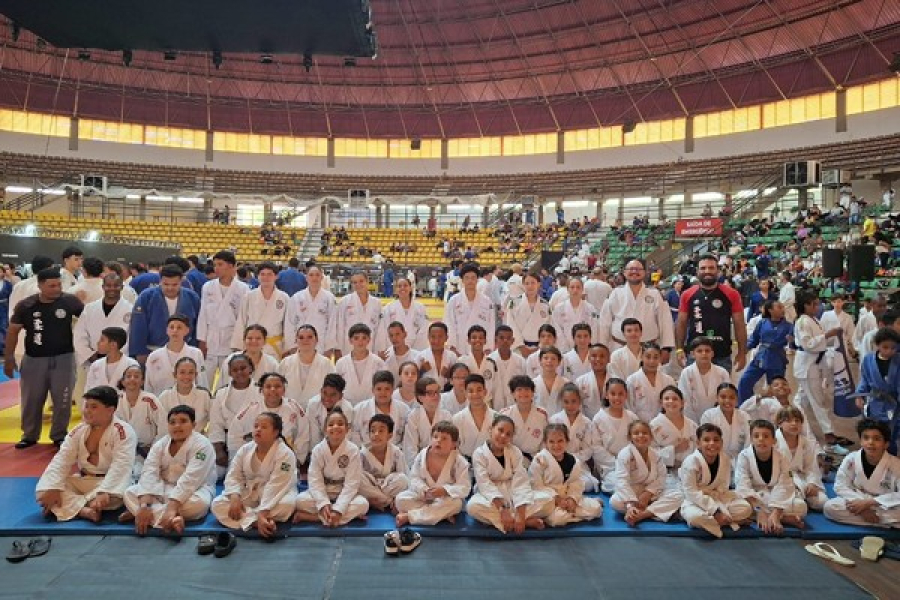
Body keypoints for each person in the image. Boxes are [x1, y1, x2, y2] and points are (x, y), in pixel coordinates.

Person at [5, 268, 84, 449]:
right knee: (31, 399)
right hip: (34, 359)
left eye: (59, 285)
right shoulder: (26, 305)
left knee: (63, 400)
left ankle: (59, 435)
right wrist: (9, 358)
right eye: (51, 286)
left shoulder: (70, 301)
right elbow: (13, 331)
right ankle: (29, 435)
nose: (57, 289)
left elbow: (88, 320)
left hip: (64, 358)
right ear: (40, 285)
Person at [35, 386, 137, 522]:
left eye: (94, 407)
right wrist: (53, 487)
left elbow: (121, 466)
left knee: (116, 497)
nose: (87, 411)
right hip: (83, 480)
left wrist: (105, 491)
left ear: (110, 410)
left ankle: (70, 507)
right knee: (44, 492)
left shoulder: (123, 431)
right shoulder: (79, 430)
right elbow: (62, 459)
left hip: (107, 482)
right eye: (86, 406)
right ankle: (84, 511)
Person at [121, 405, 217, 535]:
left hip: (195, 490)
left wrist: (172, 508)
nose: (177, 426)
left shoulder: (203, 445)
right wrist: (144, 506)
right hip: (164, 488)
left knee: (199, 505)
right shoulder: (160, 444)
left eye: (183, 421)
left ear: (193, 425)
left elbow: (191, 479)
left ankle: (144, 515)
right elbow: (149, 472)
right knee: (129, 493)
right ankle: (171, 520)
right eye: (172, 422)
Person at [211, 412, 298, 537]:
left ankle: (250, 519)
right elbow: (233, 475)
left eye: (264, 427)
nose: (258, 429)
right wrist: (235, 497)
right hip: (251, 492)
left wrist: (263, 511)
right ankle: (256, 522)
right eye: (256, 426)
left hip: (279, 492)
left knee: (287, 506)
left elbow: (277, 485)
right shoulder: (245, 449)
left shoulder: (285, 453)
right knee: (217, 504)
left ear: (275, 432)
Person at [466, 414, 551, 533]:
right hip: (490, 496)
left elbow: (521, 481)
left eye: (508, 434)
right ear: (491, 429)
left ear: (511, 437)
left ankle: (514, 520)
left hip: (513, 491)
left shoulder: (514, 451)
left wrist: (520, 513)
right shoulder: (479, 454)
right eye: (500, 430)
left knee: (549, 501)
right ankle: (524, 522)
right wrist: (502, 509)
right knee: (472, 507)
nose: (503, 436)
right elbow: (484, 484)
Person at [294, 408, 370, 527]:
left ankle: (316, 518)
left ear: (347, 429)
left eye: (340, 424)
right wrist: (323, 503)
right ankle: (339, 517)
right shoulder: (318, 450)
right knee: (300, 501)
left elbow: (352, 483)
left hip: (342, 489)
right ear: (325, 430)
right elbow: (315, 480)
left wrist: (339, 509)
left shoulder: (353, 450)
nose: (335, 427)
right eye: (331, 424)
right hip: (325, 488)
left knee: (363, 505)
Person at [793, 289, 846, 454]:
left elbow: (820, 342)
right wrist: (827, 335)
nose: (817, 307)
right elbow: (808, 344)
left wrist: (831, 337)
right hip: (808, 366)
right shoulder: (802, 321)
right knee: (818, 401)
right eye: (814, 304)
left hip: (813, 364)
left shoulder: (813, 320)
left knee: (800, 401)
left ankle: (788, 423)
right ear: (806, 305)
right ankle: (829, 439)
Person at [675, 254, 747, 373]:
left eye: (711, 268)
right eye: (703, 268)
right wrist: (679, 349)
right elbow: (681, 323)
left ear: (718, 271)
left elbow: (739, 324)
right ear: (697, 271)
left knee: (722, 386)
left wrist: (742, 352)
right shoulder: (687, 294)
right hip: (694, 355)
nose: (707, 271)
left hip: (722, 355)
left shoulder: (732, 294)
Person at [678, 423, 753, 538]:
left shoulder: (725, 459)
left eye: (716, 440)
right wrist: (715, 511)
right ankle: (730, 521)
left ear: (721, 442)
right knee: (695, 517)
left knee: (746, 508)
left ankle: (716, 522)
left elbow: (724, 486)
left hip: (717, 497)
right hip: (695, 501)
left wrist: (718, 504)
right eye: (706, 440)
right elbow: (691, 492)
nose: (712, 443)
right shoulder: (691, 461)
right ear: (698, 443)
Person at [823, 419, 900, 528]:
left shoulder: (896, 464)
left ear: (886, 444)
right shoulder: (851, 459)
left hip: (884, 504)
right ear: (861, 441)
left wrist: (869, 503)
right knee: (830, 507)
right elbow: (840, 486)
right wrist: (862, 508)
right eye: (866, 438)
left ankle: (877, 520)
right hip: (857, 500)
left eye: (877, 439)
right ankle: (885, 523)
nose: (870, 442)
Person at [734, 420, 807, 534]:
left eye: (766, 436)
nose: (761, 439)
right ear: (751, 439)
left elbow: (785, 484)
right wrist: (758, 510)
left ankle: (773, 517)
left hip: (775, 495)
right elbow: (742, 485)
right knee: (741, 508)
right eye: (756, 436)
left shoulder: (782, 457)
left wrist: (777, 512)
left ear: (774, 440)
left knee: (801, 507)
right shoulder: (744, 456)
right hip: (754, 498)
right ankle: (784, 518)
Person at [395, 421, 471, 527]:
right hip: (424, 497)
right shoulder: (422, 455)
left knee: (456, 504)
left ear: (454, 444)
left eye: (444, 438)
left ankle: (410, 517)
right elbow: (414, 478)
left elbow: (464, 487)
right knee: (400, 500)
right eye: (435, 437)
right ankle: (440, 514)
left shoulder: (459, 461)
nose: (438, 441)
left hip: (445, 499)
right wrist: (424, 490)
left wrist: (444, 490)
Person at [226, 372, 309, 466]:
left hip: (285, 457)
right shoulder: (251, 408)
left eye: (277, 386)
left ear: (284, 390)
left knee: (285, 474)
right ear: (261, 390)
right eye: (268, 386)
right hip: (255, 457)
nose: (273, 389)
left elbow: (303, 433)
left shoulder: (293, 407)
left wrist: (297, 458)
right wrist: (239, 460)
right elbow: (235, 433)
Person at [598, 259, 675, 360]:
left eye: (638, 269)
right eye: (631, 269)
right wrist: (602, 347)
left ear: (645, 272)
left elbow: (665, 321)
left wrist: (666, 347)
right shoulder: (615, 293)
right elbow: (604, 323)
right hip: (618, 347)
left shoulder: (655, 294)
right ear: (624, 272)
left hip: (649, 349)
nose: (634, 271)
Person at [610, 420, 683, 526]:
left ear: (651, 437)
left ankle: (641, 515)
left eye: (645, 433)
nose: (641, 436)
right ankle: (650, 511)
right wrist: (630, 505)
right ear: (630, 437)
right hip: (632, 492)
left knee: (678, 495)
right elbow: (622, 480)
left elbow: (662, 477)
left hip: (651, 493)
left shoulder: (655, 455)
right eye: (636, 433)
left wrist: (648, 494)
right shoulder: (625, 454)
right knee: (615, 502)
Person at [530, 423, 603, 527]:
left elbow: (576, 483)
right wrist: (556, 498)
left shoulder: (573, 461)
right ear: (545, 443)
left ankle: (564, 513)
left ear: (567, 441)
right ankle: (569, 514)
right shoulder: (539, 460)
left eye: (560, 441)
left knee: (596, 509)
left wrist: (572, 499)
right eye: (551, 442)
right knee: (558, 519)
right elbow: (536, 485)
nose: (556, 445)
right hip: (548, 499)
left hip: (567, 498)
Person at [197, 250, 250, 385]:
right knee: (204, 381)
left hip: (231, 341)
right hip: (211, 340)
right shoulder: (208, 287)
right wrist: (202, 340)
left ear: (231, 266)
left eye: (220, 264)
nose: (216, 268)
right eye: (215, 265)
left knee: (227, 382)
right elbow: (203, 315)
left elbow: (243, 319)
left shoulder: (243, 289)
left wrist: (239, 344)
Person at [129, 265, 201, 364]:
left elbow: (197, 326)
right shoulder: (146, 297)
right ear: (160, 281)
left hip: (185, 351)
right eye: (166, 284)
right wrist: (140, 352)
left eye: (174, 285)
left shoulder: (192, 297)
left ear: (181, 281)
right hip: (152, 350)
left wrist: (194, 347)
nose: (170, 288)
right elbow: (138, 327)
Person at [74, 273, 134, 384]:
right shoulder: (90, 308)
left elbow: (131, 337)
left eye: (116, 285)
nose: (112, 289)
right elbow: (79, 335)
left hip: (120, 361)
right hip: (92, 360)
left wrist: (115, 356)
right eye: (108, 285)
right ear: (103, 287)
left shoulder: (130, 310)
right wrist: (90, 355)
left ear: (122, 287)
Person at [208, 354, 261, 477]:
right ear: (229, 372)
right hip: (227, 444)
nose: (239, 372)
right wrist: (219, 450)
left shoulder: (261, 391)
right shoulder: (221, 394)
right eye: (235, 370)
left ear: (250, 369)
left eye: (243, 368)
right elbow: (215, 424)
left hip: (254, 443)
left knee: (252, 474)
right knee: (212, 474)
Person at [737, 300, 793, 403]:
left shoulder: (788, 326)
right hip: (761, 357)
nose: (782, 309)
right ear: (770, 310)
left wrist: (792, 341)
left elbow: (795, 344)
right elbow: (754, 339)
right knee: (745, 381)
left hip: (777, 358)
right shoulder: (762, 323)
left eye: (782, 307)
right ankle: (744, 405)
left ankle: (778, 408)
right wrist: (744, 351)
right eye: (779, 307)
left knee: (777, 387)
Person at [855, 327, 900, 454]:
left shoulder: (898, 360)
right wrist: (859, 395)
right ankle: (872, 456)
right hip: (874, 402)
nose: (889, 351)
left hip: (894, 404)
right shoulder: (868, 360)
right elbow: (864, 380)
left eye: (893, 348)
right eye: (885, 347)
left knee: (891, 434)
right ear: (877, 345)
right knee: (874, 432)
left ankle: (889, 458)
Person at [230, 262, 289, 358]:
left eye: (269, 274)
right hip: (252, 344)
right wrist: (238, 346)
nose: (266, 277)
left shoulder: (284, 298)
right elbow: (241, 321)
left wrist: (288, 348)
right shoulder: (249, 296)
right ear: (258, 276)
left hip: (274, 346)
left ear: (276, 276)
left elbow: (288, 325)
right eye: (262, 274)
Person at [775, 406, 828, 512]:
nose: (794, 424)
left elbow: (811, 467)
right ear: (779, 423)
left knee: (822, 502)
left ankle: (802, 496)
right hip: (781, 481)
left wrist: (812, 483)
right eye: (788, 420)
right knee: (799, 506)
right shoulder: (774, 442)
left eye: (797, 420)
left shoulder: (805, 442)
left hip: (801, 478)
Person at [592, 378, 639, 493]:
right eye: (613, 394)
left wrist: (631, 461)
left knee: (642, 480)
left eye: (620, 394)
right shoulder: (598, 419)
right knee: (617, 484)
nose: (617, 398)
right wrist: (617, 462)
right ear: (606, 395)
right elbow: (596, 447)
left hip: (631, 464)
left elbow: (638, 443)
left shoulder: (632, 417)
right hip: (610, 468)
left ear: (626, 395)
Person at [548, 384, 597, 491]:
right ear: (561, 402)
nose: (570, 405)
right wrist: (560, 457)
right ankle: (568, 488)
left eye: (574, 401)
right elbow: (549, 444)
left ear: (580, 401)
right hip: (557, 461)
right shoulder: (554, 420)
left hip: (578, 463)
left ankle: (565, 488)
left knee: (588, 484)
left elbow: (588, 449)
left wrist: (570, 459)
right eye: (566, 402)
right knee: (551, 478)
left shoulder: (587, 423)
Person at [6, 255, 53, 363]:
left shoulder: (19, 285)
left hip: (18, 337)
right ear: (47, 269)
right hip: (36, 340)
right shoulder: (42, 288)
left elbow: (12, 309)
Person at [144, 315, 208, 396]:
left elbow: (202, 383)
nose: (175, 330)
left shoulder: (196, 354)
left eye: (179, 327)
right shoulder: (154, 356)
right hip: (159, 401)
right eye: (171, 327)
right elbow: (148, 386)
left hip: (189, 401)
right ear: (167, 330)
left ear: (187, 330)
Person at [115, 364, 160, 476]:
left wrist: (154, 448)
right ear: (123, 382)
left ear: (142, 381)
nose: (132, 379)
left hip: (147, 450)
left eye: (136, 376)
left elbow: (164, 425)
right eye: (128, 376)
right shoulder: (116, 400)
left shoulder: (150, 400)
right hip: (122, 450)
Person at [359, 414, 409, 512]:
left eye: (381, 431)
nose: (376, 434)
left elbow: (404, 475)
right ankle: (389, 502)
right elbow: (358, 481)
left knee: (403, 479)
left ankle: (380, 501)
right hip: (371, 489)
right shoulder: (362, 454)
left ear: (390, 435)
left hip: (389, 487)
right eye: (372, 431)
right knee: (358, 478)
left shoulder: (396, 452)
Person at [277, 325, 335, 409]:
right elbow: (278, 387)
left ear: (316, 340)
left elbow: (333, 390)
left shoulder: (327, 364)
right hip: (289, 411)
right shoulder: (286, 363)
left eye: (309, 337)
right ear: (296, 340)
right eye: (301, 337)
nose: (305, 340)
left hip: (317, 411)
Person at [284, 264, 337, 356]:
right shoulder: (296, 297)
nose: (314, 278)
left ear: (322, 277)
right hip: (301, 342)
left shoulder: (329, 298)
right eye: (311, 275)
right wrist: (292, 346)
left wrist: (329, 347)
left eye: (317, 275)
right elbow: (289, 322)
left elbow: (332, 324)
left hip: (321, 343)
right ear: (306, 277)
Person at [446, 262, 496, 356]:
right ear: (462, 280)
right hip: (459, 347)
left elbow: (491, 326)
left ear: (477, 280)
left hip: (481, 347)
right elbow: (449, 324)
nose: (470, 281)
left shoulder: (487, 301)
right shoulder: (454, 301)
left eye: (473, 278)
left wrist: (488, 347)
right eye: (467, 278)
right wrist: (452, 348)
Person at [677, 337, 731, 423]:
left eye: (707, 351)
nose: (704, 354)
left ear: (712, 353)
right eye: (699, 351)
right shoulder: (687, 373)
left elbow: (727, 398)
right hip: (692, 420)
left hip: (717, 420)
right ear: (692, 354)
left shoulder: (722, 373)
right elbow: (685, 401)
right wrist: (692, 424)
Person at [333, 271, 385, 357]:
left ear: (367, 281)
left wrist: (381, 348)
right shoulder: (344, 302)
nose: (358, 284)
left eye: (361, 281)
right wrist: (338, 348)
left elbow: (380, 329)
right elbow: (339, 327)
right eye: (354, 282)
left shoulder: (376, 303)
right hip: (349, 346)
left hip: (370, 345)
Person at [351, 370, 409, 447]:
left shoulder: (404, 409)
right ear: (372, 390)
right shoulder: (359, 409)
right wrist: (365, 451)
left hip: (396, 452)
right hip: (365, 451)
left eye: (387, 389)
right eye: (379, 389)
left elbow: (407, 437)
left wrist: (394, 451)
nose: (383, 392)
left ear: (392, 390)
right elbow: (354, 434)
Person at [403, 377, 452, 465]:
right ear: (420, 397)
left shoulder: (446, 415)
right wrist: (419, 467)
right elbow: (410, 448)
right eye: (430, 393)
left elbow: (449, 445)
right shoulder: (413, 416)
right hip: (418, 462)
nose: (436, 396)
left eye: (437, 392)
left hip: (442, 461)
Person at [335, 324, 387, 405]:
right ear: (350, 340)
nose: (360, 341)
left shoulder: (378, 362)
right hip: (347, 406)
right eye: (356, 338)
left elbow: (384, 385)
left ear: (369, 340)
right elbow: (336, 387)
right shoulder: (341, 363)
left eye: (364, 338)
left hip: (371, 405)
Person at [157, 357, 212, 434]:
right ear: (175, 374)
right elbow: (161, 425)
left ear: (196, 374)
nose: (186, 376)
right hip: (171, 438)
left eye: (191, 372)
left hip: (198, 438)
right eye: (182, 372)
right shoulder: (165, 396)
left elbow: (215, 420)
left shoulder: (204, 395)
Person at [501, 375, 548, 462]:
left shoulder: (542, 414)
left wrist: (541, 457)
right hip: (511, 458)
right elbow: (501, 439)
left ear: (533, 392)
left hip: (536, 458)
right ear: (513, 394)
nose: (523, 392)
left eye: (527, 389)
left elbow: (545, 439)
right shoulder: (505, 414)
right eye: (519, 389)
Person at [700, 383, 750, 463]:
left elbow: (748, 442)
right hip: (714, 459)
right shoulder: (708, 416)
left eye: (731, 397)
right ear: (717, 398)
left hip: (740, 460)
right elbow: (707, 442)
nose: (727, 400)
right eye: (723, 397)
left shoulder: (744, 416)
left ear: (737, 399)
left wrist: (742, 461)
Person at [626, 342, 675, 423]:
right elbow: (629, 407)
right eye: (648, 357)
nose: (652, 361)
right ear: (641, 357)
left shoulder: (668, 380)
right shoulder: (632, 380)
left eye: (655, 357)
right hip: (640, 426)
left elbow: (673, 405)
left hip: (663, 424)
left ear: (660, 358)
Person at [650, 386, 697, 470]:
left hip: (691, 469)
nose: (671, 401)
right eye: (666, 398)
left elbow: (698, 447)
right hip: (665, 471)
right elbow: (651, 452)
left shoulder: (692, 425)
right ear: (661, 403)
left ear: (682, 402)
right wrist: (675, 449)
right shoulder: (654, 425)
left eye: (675, 399)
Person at [504, 273, 550, 358]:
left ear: (539, 284)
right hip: (518, 348)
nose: (530, 286)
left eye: (533, 283)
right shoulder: (514, 303)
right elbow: (511, 325)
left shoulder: (545, 305)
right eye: (527, 283)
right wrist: (521, 346)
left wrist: (540, 346)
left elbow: (548, 327)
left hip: (540, 348)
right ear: (523, 285)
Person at [452, 374, 496, 459]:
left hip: (491, 462)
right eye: (471, 391)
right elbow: (455, 446)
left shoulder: (496, 417)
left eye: (479, 390)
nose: (475, 394)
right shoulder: (457, 418)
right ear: (465, 393)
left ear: (485, 391)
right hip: (465, 463)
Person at [550, 278, 598, 354]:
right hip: (564, 349)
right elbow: (556, 329)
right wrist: (565, 347)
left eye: (578, 287)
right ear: (567, 289)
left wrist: (587, 345)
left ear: (582, 290)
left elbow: (594, 329)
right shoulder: (559, 308)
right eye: (572, 287)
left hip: (585, 347)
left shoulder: (590, 308)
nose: (575, 290)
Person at [381, 277, 428, 351]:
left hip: (416, 349)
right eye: (399, 286)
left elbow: (423, 330)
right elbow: (385, 330)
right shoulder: (388, 308)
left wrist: (416, 351)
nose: (402, 288)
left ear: (410, 288)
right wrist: (392, 349)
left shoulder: (420, 308)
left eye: (405, 285)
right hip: (394, 347)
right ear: (396, 290)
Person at [85, 327, 139, 392]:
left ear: (113, 344)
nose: (98, 343)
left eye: (102, 340)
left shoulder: (131, 364)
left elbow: (135, 391)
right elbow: (87, 391)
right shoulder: (95, 365)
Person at [488, 325, 527, 411]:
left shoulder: (520, 361)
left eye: (508, 338)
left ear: (512, 341)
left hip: (516, 407)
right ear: (496, 340)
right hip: (495, 407)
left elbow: (524, 386)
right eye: (501, 338)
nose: (505, 341)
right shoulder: (489, 361)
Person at [575, 344, 615, 419]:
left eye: (602, 356)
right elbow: (577, 406)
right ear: (589, 358)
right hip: (587, 422)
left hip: (610, 422)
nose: (598, 359)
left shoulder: (616, 380)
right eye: (594, 356)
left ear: (609, 359)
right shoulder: (580, 381)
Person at [419, 321, 458, 389]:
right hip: (426, 393)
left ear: (446, 338)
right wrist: (422, 370)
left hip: (447, 392)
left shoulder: (452, 356)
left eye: (440, 336)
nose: (436, 341)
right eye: (433, 337)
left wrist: (449, 375)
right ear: (428, 337)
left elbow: (459, 378)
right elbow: (412, 378)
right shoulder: (421, 356)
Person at [534, 346, 568, 415]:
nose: (549, 361)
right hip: (538, 419)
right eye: (546, 358)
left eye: (553, 359)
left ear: (559, 362)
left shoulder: (566, 383)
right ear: (540, 361)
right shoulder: (533, 383)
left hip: (560, 420)